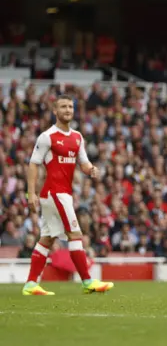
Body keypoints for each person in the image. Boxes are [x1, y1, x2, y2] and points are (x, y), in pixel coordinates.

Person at [23, 94, 114, 296]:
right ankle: (87, 281)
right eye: (63, 107)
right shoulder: (47, 136)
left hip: (61, 194)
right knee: (75, 234)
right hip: (55, 193)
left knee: (47, 237)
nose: (67, 110)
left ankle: (30, 284)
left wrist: (91, 170)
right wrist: (31, 193)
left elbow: (83, 162)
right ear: (55, 111)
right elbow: (33, 163)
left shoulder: (77, 137)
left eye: (70, 107)